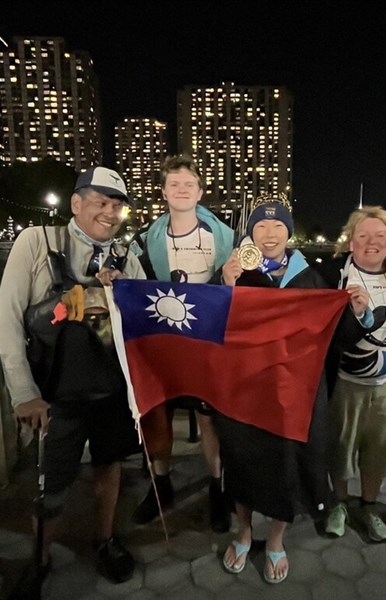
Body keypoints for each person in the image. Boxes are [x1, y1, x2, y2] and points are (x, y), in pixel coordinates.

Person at [0, 166, 146, 583]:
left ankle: (105, 538)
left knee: (110, 467)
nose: (110, 212)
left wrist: (124, 296)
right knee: (52, 486)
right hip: (55, 392)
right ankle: (40, 558)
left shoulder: (127, 257)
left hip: (111, 390)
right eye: (101, 202)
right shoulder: (36, 242)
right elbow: (7, 319)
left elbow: (145, 324)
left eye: (117, 205)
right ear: (76, 203)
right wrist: (23, 391)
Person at [217, 194, 333, 584]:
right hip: (246, 389)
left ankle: (277, 539)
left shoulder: (310, 277)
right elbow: (214, 327)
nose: (269, 233)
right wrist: (225, 285)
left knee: (289, 467)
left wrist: (358, 310)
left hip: (292, 393)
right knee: (242, 460)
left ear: (289, 231)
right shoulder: (237, 271)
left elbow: (331, 333)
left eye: (278, 225)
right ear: (251, 232)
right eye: (261, 226)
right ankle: (245, 532)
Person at [129, 155, 234, 531]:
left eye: (189, 184)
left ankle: (218, 487)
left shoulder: (223, 237)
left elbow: (236, 291)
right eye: (174, 184)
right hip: (163, 339)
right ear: (163, 192)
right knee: (157, 410)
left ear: (201, 191)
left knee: (210, 416)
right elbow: (133, 284)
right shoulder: (144, 240)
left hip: (206, 339)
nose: (182, 190)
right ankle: (160, 483)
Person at [324, 206, 386, 542]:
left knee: (379, 451)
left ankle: (370, 506)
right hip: (346, 384)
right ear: (350, 242)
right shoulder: (338, 277)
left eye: (380, 236)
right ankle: (340, 503)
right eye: (362, 236)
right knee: (341, 448)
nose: (371, 242)